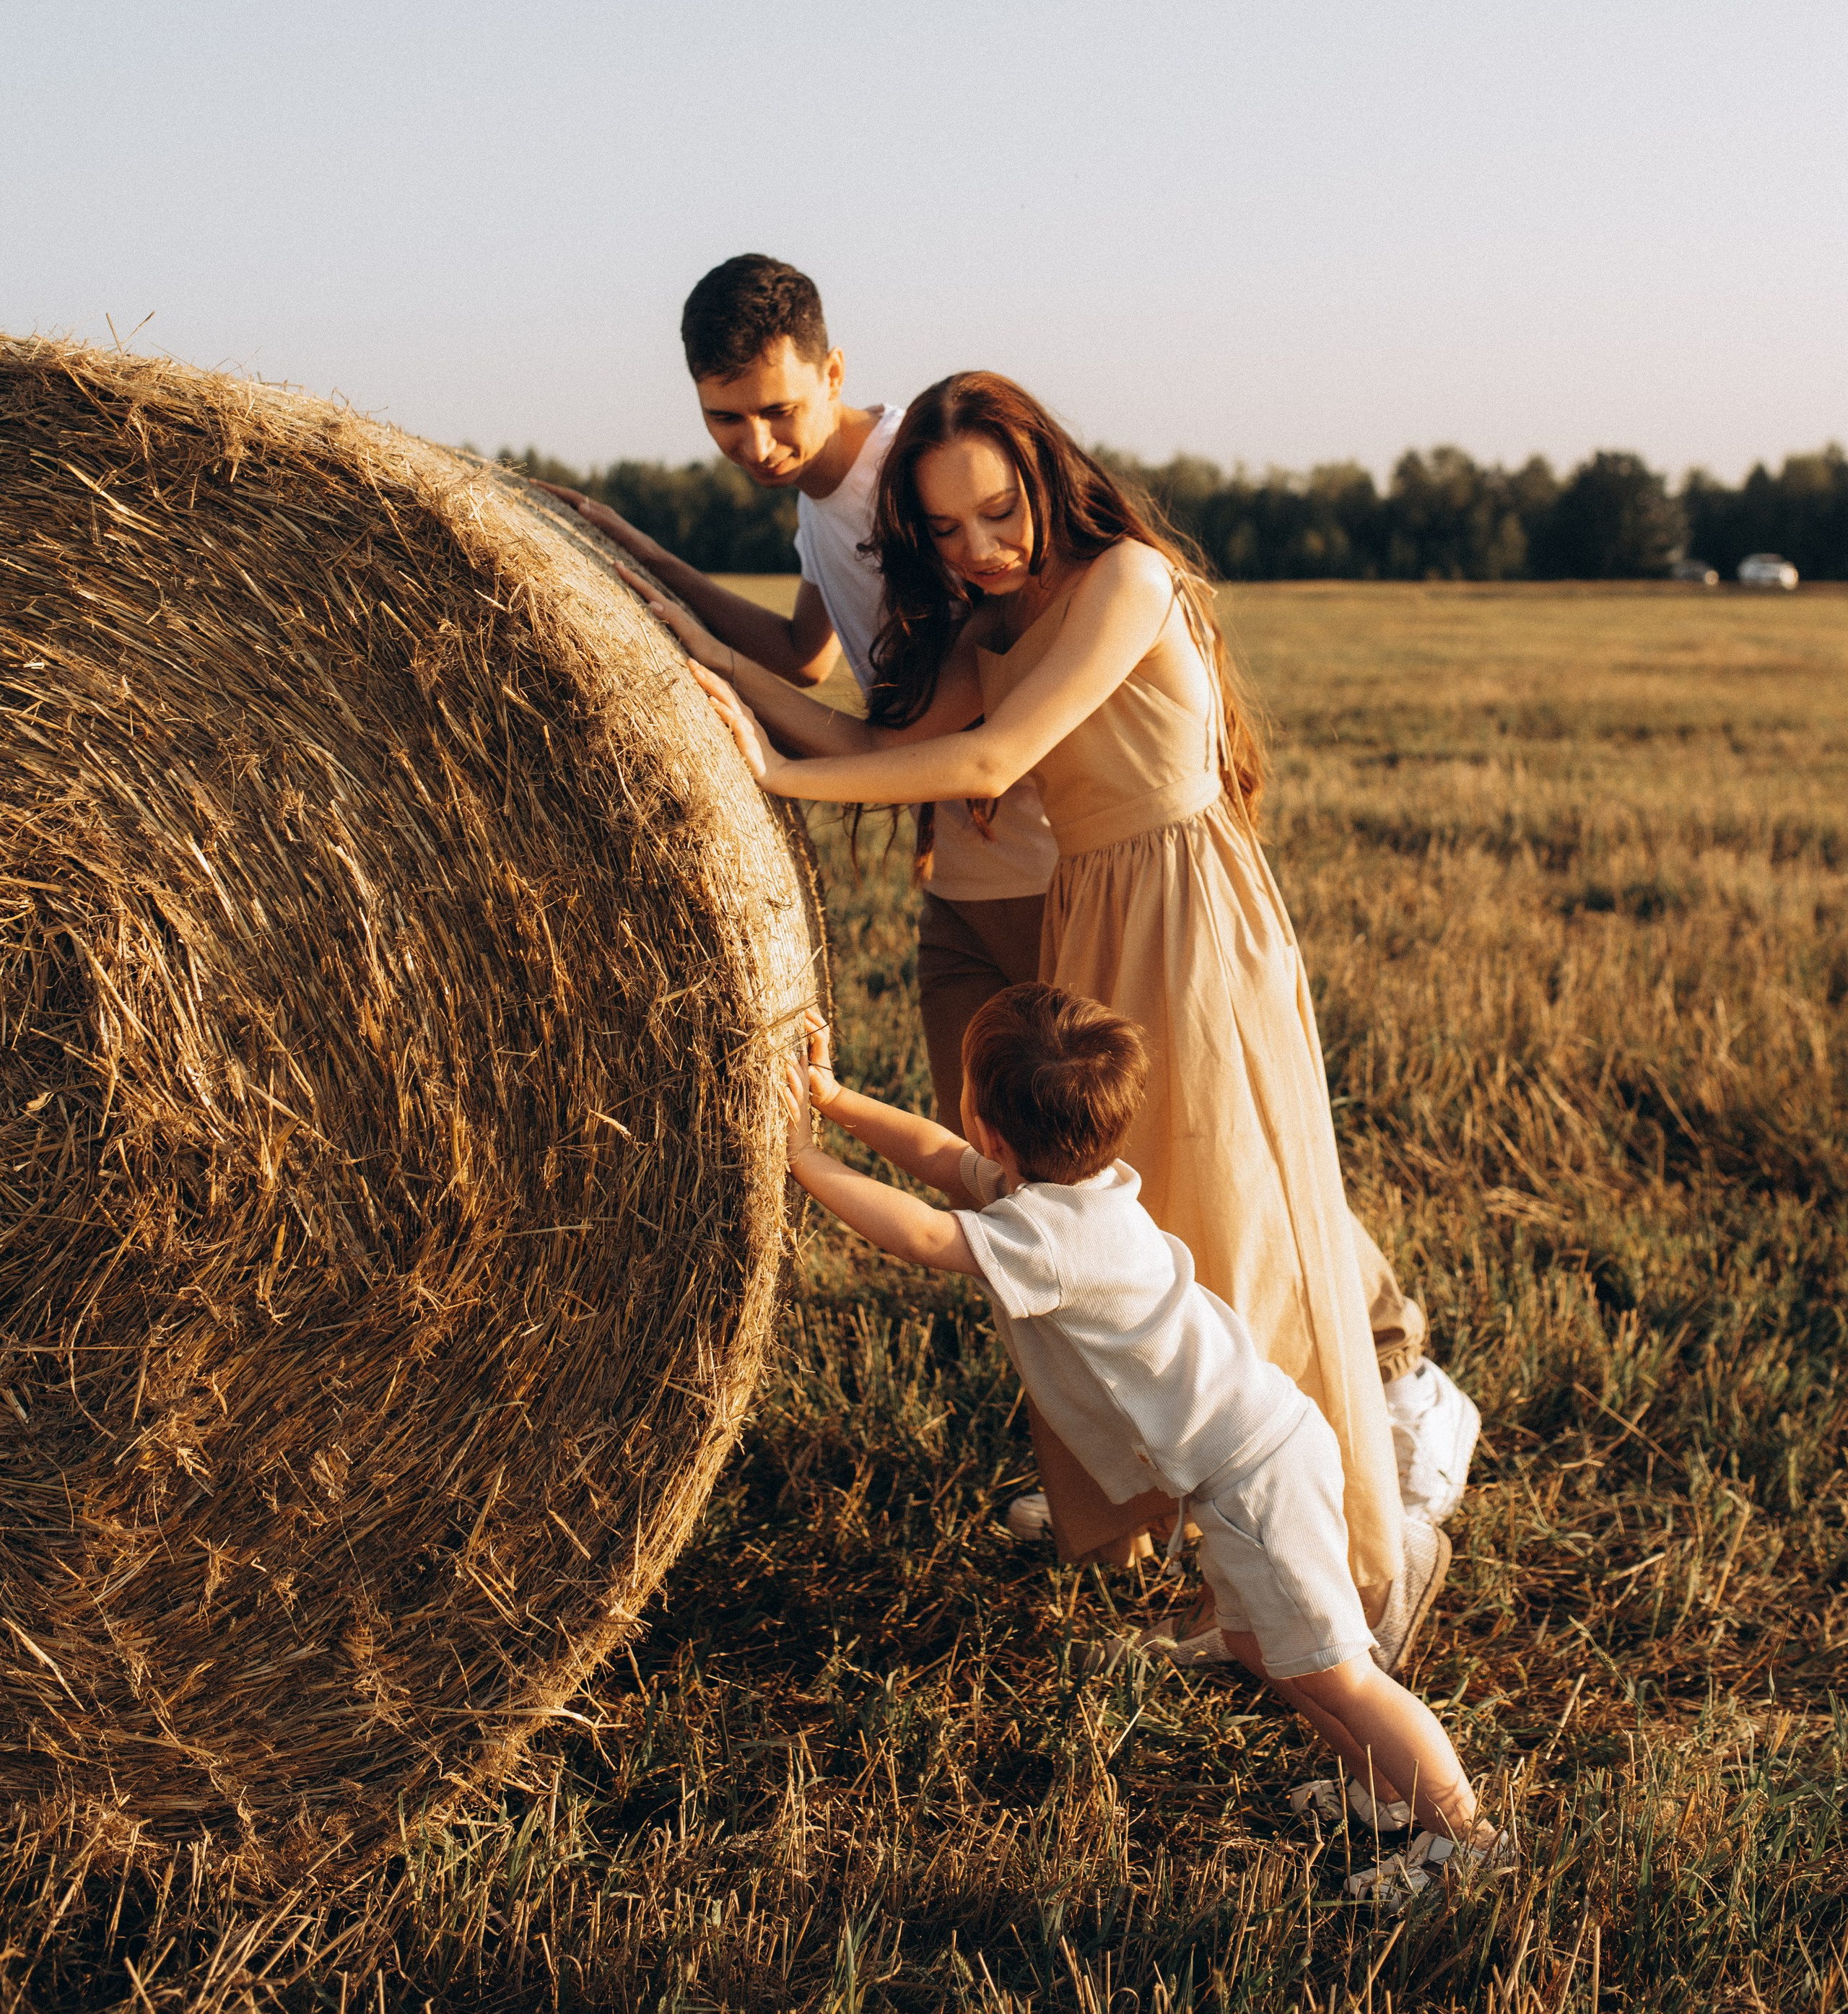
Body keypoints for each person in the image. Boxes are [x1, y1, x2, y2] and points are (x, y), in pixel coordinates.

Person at [547, 277, 1476, 1574]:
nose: (979, 543)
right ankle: (1174, 1507)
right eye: (945, 529)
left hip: (1183, 909)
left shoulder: (1130, 577)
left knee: (1228, 1209)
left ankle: (1339, 1533)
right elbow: (869, 725)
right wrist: (685, 647)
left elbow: (992, 759)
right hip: (1095, 906)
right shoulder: (987, 615)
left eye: (998, 510)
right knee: (1090, 1223)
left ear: (1047, 474)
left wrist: (778, 778)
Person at [778, 982, 1507, 1899]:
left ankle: (1468, 1841)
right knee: (1263, 1651)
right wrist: (834, 1099)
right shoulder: (1065, 1194)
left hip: (1257, 1478)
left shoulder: (1050, 1238)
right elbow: (940, 1159)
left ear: (991, 1119)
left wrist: (802, 1156)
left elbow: (924, 1234)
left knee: (1344, 1672)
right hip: (1248, 1463)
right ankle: (1383, 1789)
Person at [534, 254, 1058, 1136]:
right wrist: (643, 557)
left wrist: (763, 730)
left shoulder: (916, 478)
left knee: (1061, 1146)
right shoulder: (820, 504)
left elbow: (959, 688)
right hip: (967, 855)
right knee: (989, 1142)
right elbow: (801, 652)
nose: (759, 444)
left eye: (780, 410)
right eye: (725, 419)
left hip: (1042, 845)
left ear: (833, 371)